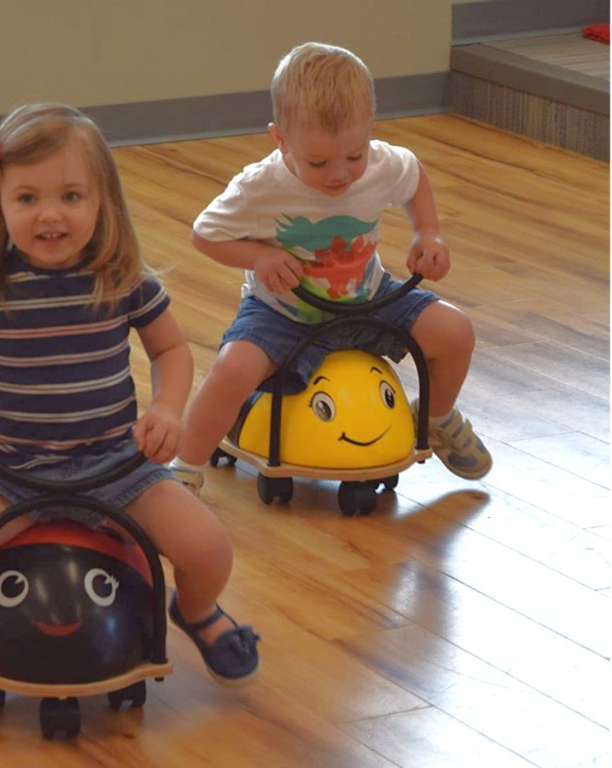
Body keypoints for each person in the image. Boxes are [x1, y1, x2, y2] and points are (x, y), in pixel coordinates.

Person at [0, 103, 260, 715]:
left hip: (117, 468)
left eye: (71, 196)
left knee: (208, 546)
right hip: (10, 472)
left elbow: (172, 349)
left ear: (103, 201)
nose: (50, 215)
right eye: (27, 198)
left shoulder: (121, 276)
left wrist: (169, 410)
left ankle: (197, 608)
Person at [169, 42, 492, 493]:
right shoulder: (259, 186)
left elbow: (413, 175)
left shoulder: (382, 164)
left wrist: (428, 233)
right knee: (233, 369)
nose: (339, 174)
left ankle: (435, 417)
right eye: (318, 162)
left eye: (353, 156)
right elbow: (204, 233)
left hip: (369, 297)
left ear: (368, 133)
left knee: (456, 333)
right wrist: (259, 257)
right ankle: (184, 467)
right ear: (280, 140)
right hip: (283, 313)